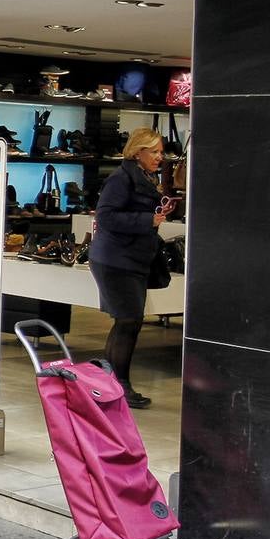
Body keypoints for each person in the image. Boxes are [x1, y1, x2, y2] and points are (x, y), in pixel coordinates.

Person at [89, 126, 168, 410]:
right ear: (138, 152)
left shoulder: (144, 177)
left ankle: (111, 382)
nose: (161, 157)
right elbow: (106, 217)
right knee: (128, 321)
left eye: (161, 152)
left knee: (127, 321)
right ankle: (118, 384)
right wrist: (147, 220)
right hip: (115, 260)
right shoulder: (121, 179)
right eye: (155, 152)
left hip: (129, 259)